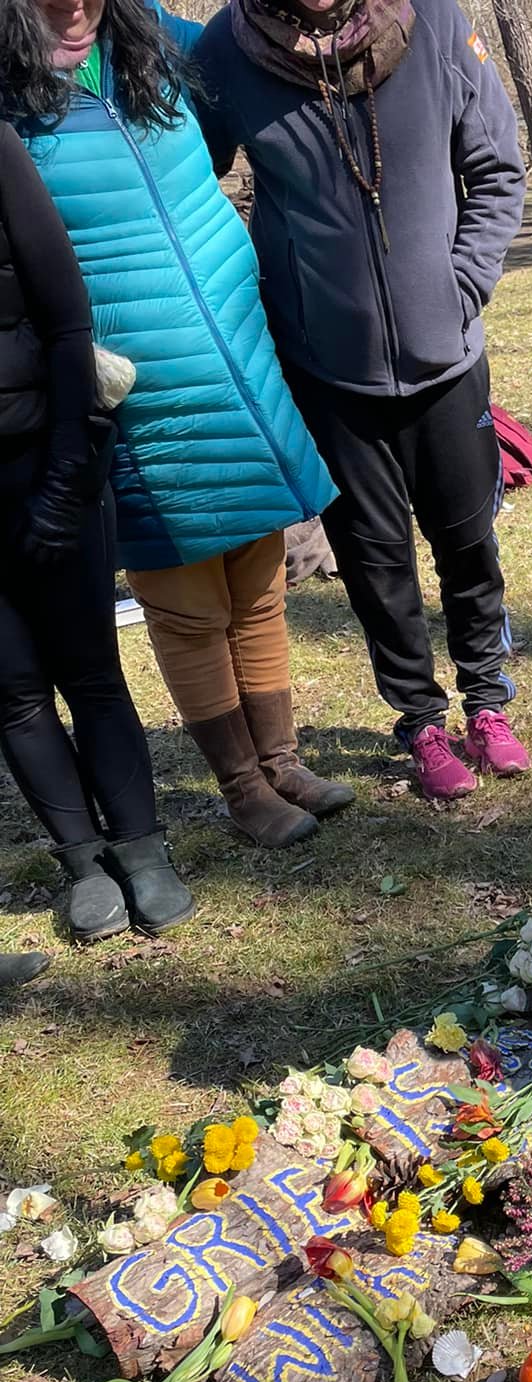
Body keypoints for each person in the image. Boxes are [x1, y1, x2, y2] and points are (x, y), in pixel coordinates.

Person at [6, 0, 349, 851]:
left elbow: (268, 50)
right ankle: (241, 787)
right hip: (130, 365)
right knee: (186, 593)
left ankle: (281, 759)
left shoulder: (155, 35)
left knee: (258, 574)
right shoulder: (7, 77)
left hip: (230, 340)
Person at [193, 0, 531, 803]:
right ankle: (418, 719)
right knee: (375, 561)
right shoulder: (227, 49)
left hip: (447, 359)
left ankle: (487, 700)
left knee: (468, 543)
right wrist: (268, 287)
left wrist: (460, 288)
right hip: (326, 370)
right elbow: (184, 183)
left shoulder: (438, 23)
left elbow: (496, 168)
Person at [0, 116, 193, 963]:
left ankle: (143, 847)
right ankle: (83, 862)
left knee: (89, 671)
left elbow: (69, 322)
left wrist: (66, 475)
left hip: (44, 462)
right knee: (10, 691)